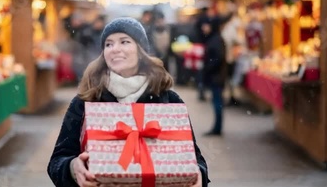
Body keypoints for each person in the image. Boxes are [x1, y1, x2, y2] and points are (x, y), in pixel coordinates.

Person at [48, 17, 209, 187]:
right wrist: (73, 168)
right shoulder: (86, 100)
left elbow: (195, 159)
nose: (114, 49)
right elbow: (57, 162)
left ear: (141, 51)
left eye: (124, 42)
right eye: (108, 44)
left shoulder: (168, 99)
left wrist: (198, 175)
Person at [203, 20, 227, 136]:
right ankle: (217, 127)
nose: (204, 27)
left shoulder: (215, 40)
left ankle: (217, 128)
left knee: (217, 103)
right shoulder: (215, 39)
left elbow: (218, 58)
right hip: (216, 76)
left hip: (216, 77)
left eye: (207, 25)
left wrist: (208, 67)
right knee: (217, 102)